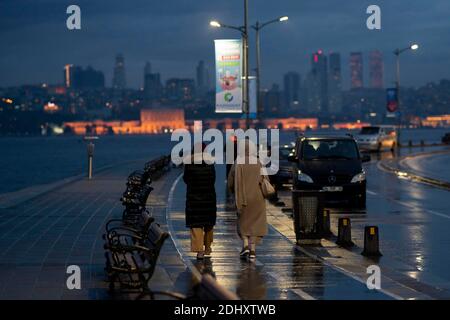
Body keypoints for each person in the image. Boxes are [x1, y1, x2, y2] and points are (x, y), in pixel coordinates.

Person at [227, 139, 268, 260]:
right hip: (257, 198)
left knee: (243, 221)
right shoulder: (258, 162)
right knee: (256, 223)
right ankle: (253, 250)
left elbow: (230, 181)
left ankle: (245, 244)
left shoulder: (237, 162)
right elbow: (265, 179)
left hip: (243, 197)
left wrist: (232, 191)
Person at [183, 144, 217, 260]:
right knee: (208, 224)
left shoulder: (189, 164)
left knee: (196, 225)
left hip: (194, 198)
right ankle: (207, 247)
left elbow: (186, 179)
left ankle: (199, 251)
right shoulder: (210, 164)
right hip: (209, 198)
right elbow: (213, 179)